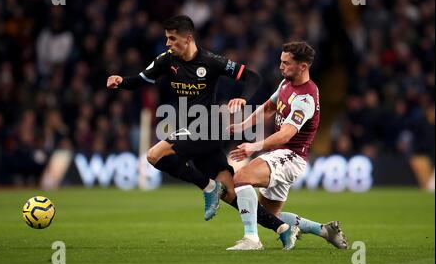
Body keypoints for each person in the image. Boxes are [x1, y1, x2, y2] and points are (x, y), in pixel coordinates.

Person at [106, 15, 299, 250]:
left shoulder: (211, 61)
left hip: (209, 127)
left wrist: (242, 98)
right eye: (166, 38)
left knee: (154, 155)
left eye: (172, 39)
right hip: (192, 131)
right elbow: (141, 79)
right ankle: (282, 228)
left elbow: (252, 77)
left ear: (188, 38)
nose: (167, 44)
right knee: (230, 193)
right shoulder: (166, 60)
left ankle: (208, 187)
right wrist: (121, 81)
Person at [226, 41, 348, 250]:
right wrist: (242, 126)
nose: (281, 66)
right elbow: (268, 107)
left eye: (287, 63)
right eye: (281, 62)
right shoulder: (286, 84)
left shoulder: (305, 98)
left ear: (303, 66)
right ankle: (325, 230)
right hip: (281, 155)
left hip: (291, 156)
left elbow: (286, 134)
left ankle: (251, 240)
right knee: (267, 215)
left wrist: (253, 146)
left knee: (241, 177)